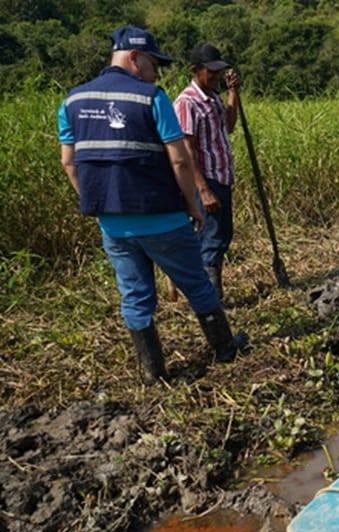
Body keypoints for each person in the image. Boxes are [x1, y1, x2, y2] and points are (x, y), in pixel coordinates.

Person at [57, 25, 248, 385]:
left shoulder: (72, 100)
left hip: (113, 223)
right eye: (154, 63)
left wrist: (97, 204)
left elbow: (69, 163)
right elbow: (180, 160)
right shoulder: (151, 97)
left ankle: (153, 372)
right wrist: (193, 204)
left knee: (135, 295)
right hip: (161, 217)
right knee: (197, 284)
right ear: (134, 57)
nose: (157, 71)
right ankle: (225, 349)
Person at [173, 44, 240, 299]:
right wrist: (203, 189)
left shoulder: (214, 97)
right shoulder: (186, 103)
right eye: (211, 73)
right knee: (211, 239)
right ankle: (209, 298)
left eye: (219, 73)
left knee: (223, 235)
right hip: (206, 181)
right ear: (195, 70)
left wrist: (233, 92)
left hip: (222, 177)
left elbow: (230, 125)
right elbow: (187, 151)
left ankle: (210, 293)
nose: (216, 77)